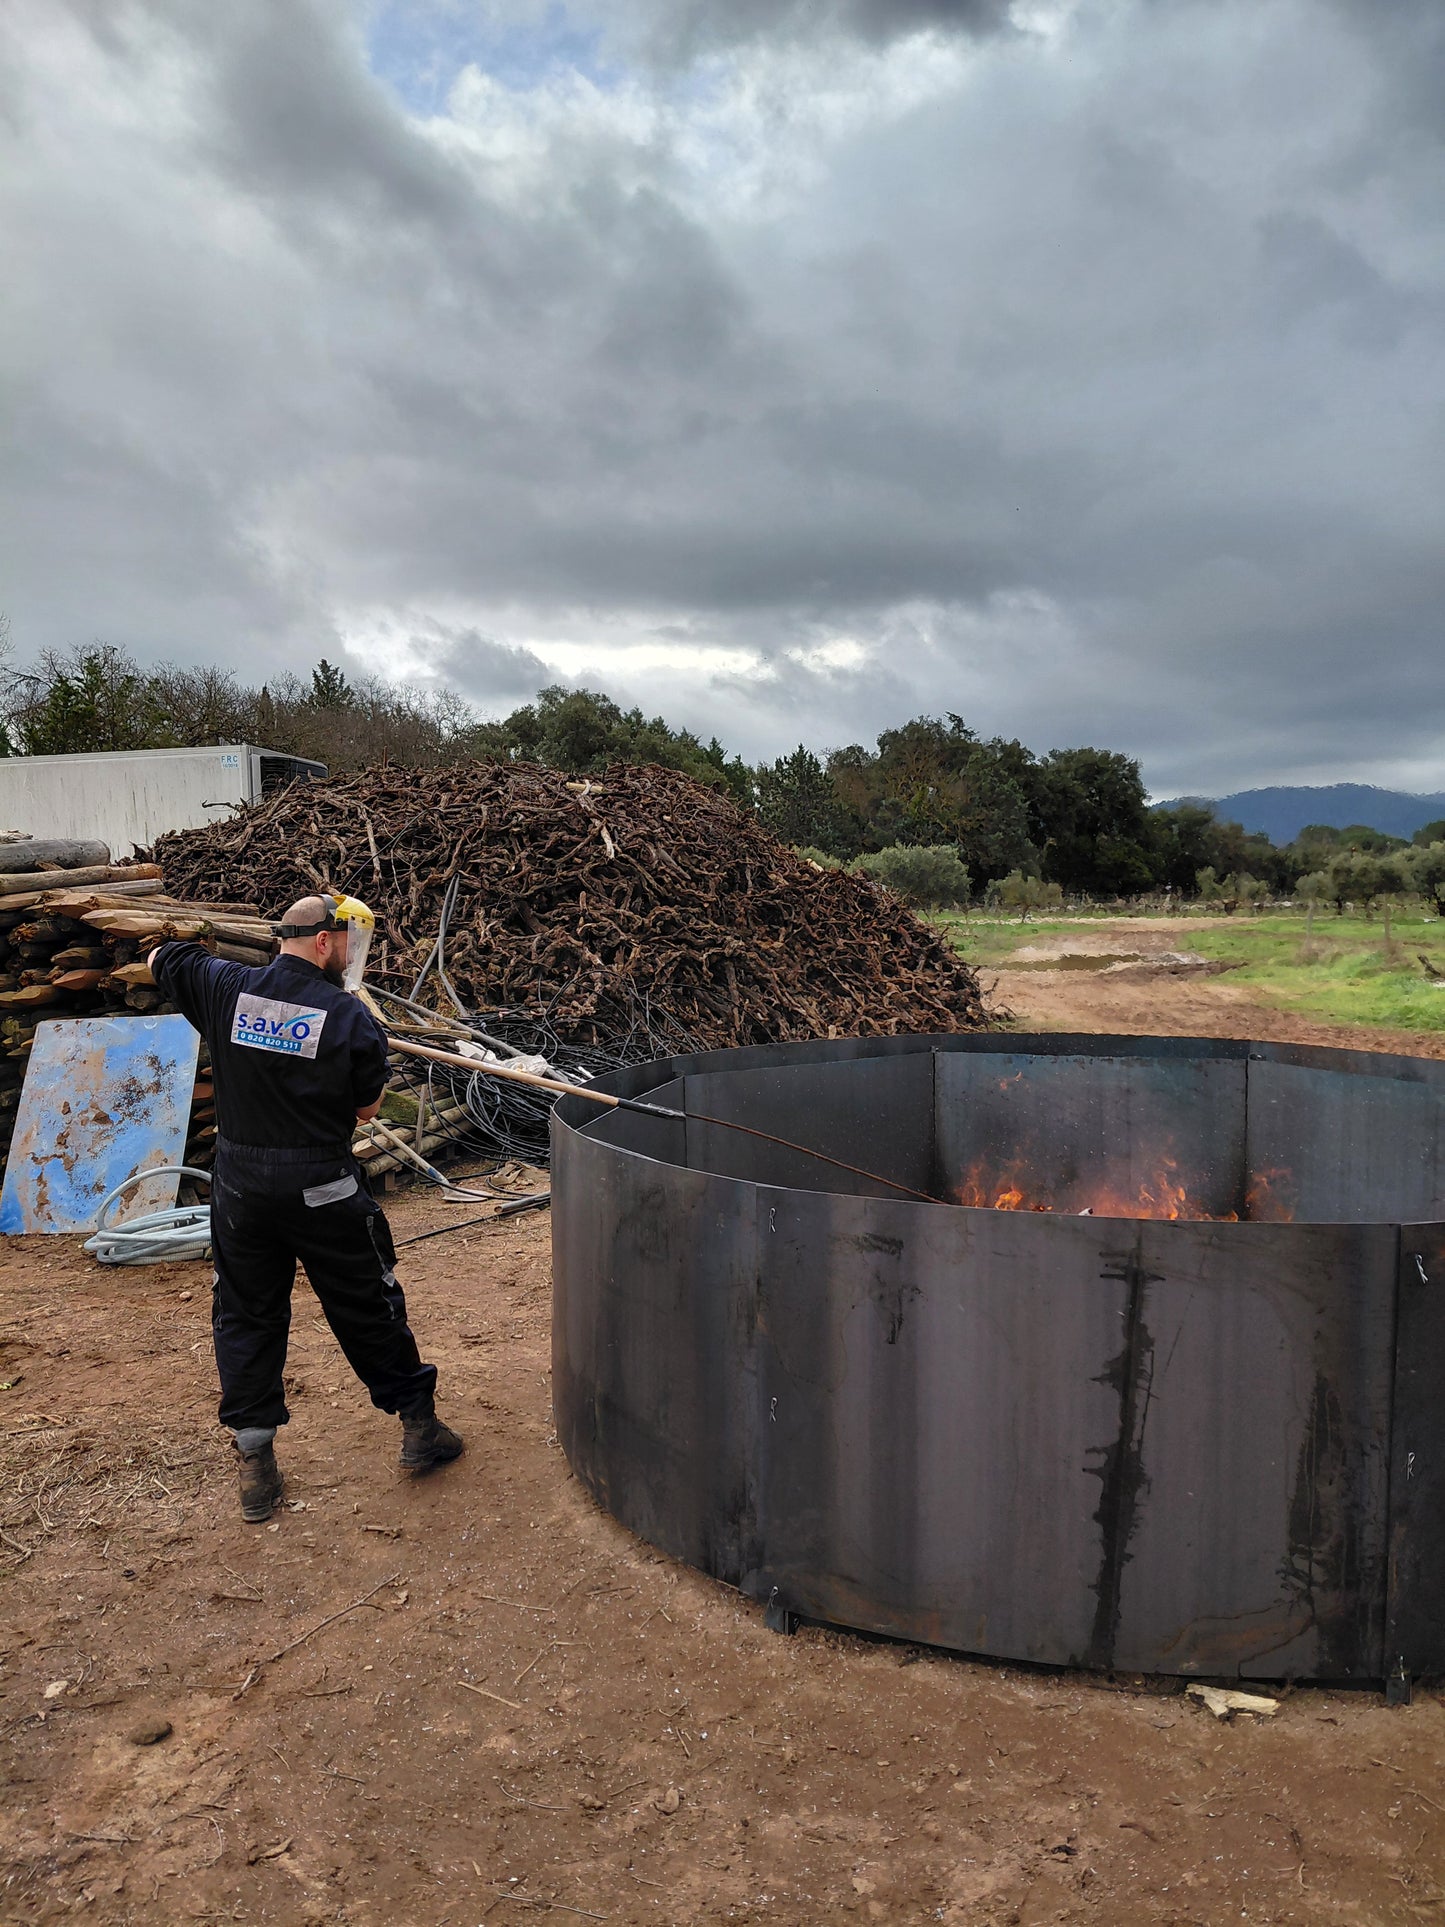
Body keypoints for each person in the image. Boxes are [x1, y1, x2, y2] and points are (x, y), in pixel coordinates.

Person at [149, 893, 462, 1524]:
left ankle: (256, 1465)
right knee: (365, 1303)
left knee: (246, 1312)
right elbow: (368, 1110)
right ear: (324, 941)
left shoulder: (225, 986)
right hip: (320, 1185)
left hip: (239, 1190)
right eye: (347, 944)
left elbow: (162, 956)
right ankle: (419, 1428)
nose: (350, 956)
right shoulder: (348, 1018)